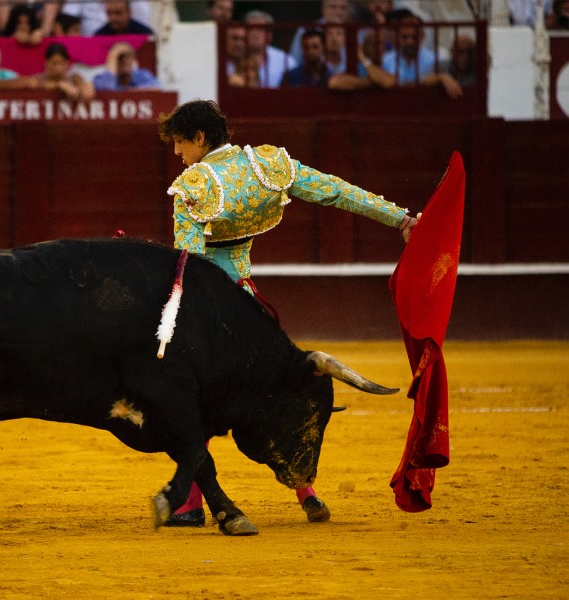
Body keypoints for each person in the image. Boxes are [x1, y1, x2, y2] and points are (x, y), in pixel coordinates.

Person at [157, 99, 417, 526]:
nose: (176, 152)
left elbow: (192, 266)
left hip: (212, 315)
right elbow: (336, 191)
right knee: (275, 393)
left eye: (180, 142)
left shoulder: (193, 186)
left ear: (200, 138)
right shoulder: (267, 165)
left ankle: (189, 504)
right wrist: (400, 220)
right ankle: (305, 492)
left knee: (190, 400)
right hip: (253, 309)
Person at [381, 10, 462, 99]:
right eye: (404, 37)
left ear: (422, 36)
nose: (409, 42)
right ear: (398, 36)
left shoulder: (435, 60)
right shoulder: (386, 59)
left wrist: (442, 77)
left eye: (414, 37)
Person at [2, 41, 95, 102]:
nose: (58, 67)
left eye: (61, 63)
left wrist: (86, 86)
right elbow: (39, 84)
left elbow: (83, 90)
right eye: (54, 63)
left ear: (67, 63)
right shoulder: (37, 80)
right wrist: (58, 85)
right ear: (47, 63)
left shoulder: (74, 78)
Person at [328, 27, 395, 90]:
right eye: (372, 43)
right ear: (365, 47)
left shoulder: (388, 63)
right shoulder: (357, 66)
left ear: (385, 47)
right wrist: (376, 81)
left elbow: (389, 82)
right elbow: (334, 82)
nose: (376, 47)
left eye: (380, 43)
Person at [243, 10, 296, 88]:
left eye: (260, 29)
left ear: (269, 35)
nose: (255, 33)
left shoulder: (286, 61)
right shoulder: (234, 58)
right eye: (251, 28)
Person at [288, 0, 352, 64]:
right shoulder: (306, 29)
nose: (338, 12)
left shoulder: (354, 30)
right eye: (333, 7)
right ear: (323, 9)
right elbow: (295, 61)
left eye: (343, 8)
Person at [93, 41, 159, 91]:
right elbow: (106, 91)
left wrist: (125, 91)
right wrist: (113, 55)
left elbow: (156, 88)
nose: (125, 60)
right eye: (121, 57)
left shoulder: (142, 75)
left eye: (128, 56)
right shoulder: (101, 78)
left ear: (133, 59)